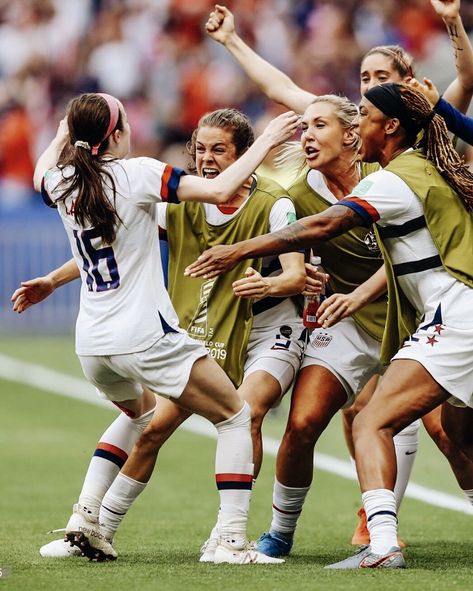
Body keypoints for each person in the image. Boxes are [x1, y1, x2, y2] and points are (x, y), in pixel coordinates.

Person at [205, 0, 473, 545]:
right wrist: (232, 41)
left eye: (376, 86)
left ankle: (379, 535)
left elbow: (331, 233)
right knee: (311, 421)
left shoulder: (394, 170)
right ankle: (294, 534)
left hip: (430, 312)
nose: (361, 99)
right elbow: (284, 89)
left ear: (379, 122)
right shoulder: (308, 181)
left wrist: (238, 252)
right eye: (362, 79)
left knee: (419, 427)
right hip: (377, 317)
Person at [14, 106, 306, 562]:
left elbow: (40, 175)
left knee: (142, 417)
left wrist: (51, 280)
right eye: (201, 148)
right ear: (118, 134)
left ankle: (86, 520)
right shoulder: (142, 176)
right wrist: (270, 139)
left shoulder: (65, 178)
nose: (206, 157)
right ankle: (230, 540)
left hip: (98, 341)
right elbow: (221, 188)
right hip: (150, 334)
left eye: (219, 149)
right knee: (232, 417)